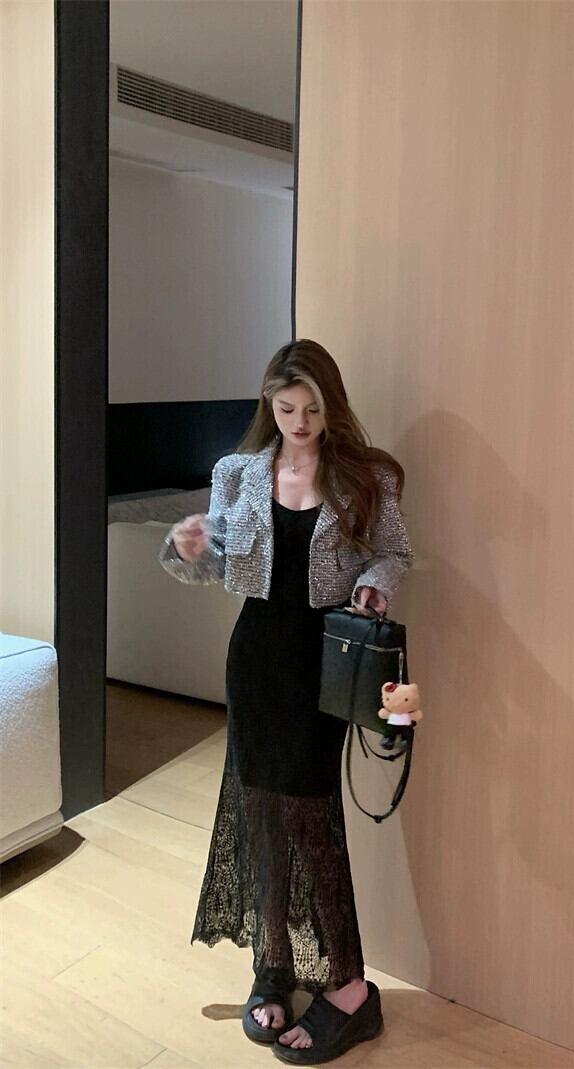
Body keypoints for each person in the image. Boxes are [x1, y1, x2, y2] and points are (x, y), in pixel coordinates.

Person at [159, 339, 414, 1064]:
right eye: (286, 408)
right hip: (257, 659)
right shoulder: (237, 472)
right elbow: (214, 564)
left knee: (311, 819)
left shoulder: (366, 475)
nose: (299, 422)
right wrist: (189, 545)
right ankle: (272, 966)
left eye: (312, 409)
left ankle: (350, 986)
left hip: (325, 661)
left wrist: (374, 585)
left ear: (332, 406)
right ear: (269, 405)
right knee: (261, 815)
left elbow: (395, 553)